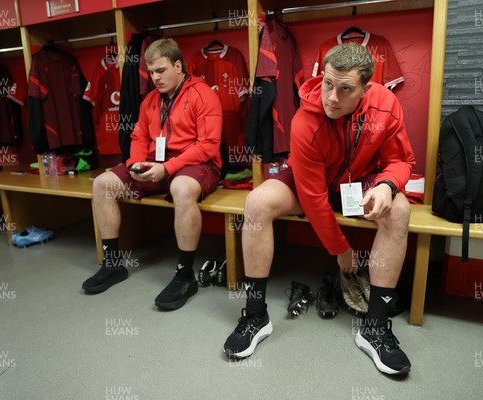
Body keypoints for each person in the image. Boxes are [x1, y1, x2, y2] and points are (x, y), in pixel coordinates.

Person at [223, 43, 416, 375]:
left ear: (365, 89)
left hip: (361, 179)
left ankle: (375, 328)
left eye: (345, 89)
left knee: (399, 210)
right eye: (328, 83)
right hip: (309, 179)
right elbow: (313, 198)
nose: (332, 97)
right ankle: (256, 315)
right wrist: (340, 249)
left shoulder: (386, 104)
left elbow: (401, 161)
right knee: (256, 203)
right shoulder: (305, 120)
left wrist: (387, 185)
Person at [82, 38, 223, 311]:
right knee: (102, 184)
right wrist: (136, 164)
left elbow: (208, 145)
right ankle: (112, 265)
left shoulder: (203, 94)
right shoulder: (149, 100)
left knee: (182, 188)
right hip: (154, 164)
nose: (155, 77)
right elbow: (138, 136)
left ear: (178, 66)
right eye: (152, 72)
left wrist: (168, 168)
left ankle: (185, 275)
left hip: (198, 164)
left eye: (161, 70)